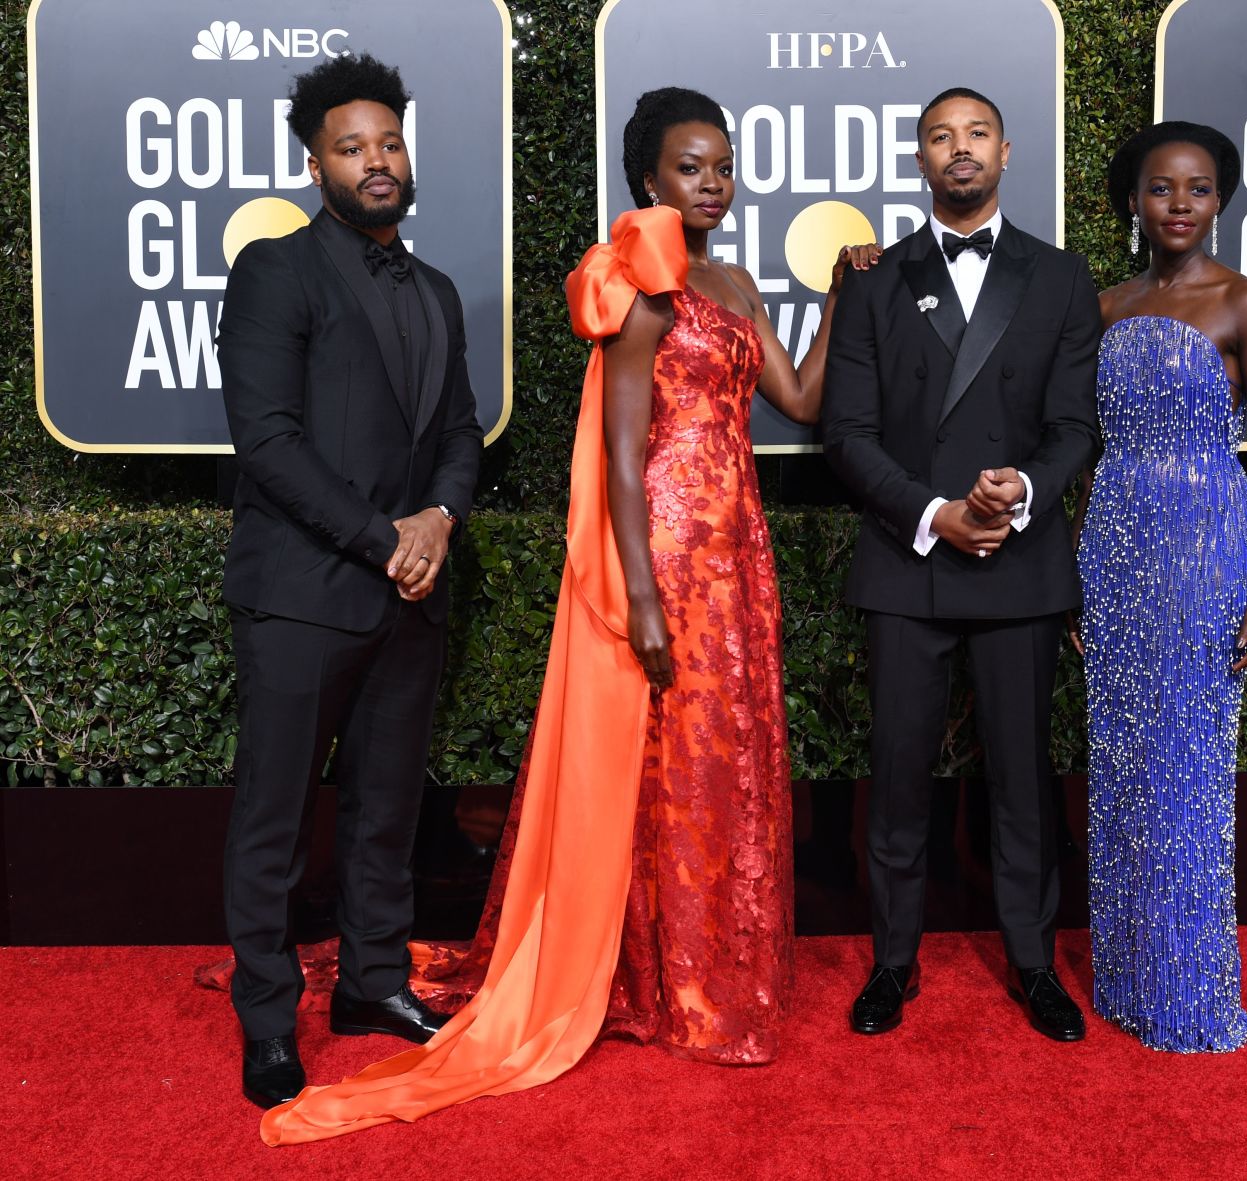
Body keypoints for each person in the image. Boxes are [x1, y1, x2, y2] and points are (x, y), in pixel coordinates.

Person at [257, 86, 875, 1144]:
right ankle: (652, 981)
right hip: (668, 557)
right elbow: (626, 463)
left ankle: (706, 976)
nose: (713, 182)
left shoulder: (733, 279)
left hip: (739, 556)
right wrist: (641, 596)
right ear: (649, 180)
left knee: (716, 768)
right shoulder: (639, 282)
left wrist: (837, 298)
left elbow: (805, 402)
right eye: (691, 166)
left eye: (723, 165)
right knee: (656, 774)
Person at [218, 53, 482, 1109]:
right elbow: (268, 445)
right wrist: (386, 537)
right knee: (275, 820)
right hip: (302, 592)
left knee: (383, 810)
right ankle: (268, 1021)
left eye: (388, 142)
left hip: (407, 594)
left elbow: (460, 433)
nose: (376, 162)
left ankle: (374, 985)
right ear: (313, 163)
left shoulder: (439, 289)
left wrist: (439, 517)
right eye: (350, 147)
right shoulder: (276, 272)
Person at [821, 87, 1101, 1042]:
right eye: (940, 136)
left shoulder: (1062, 279)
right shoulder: (871, 279)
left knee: (1024, 778)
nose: (960, 149)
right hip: (908, 561)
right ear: (919, 158)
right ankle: (892, 962)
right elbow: (846, 433)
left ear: (1008, 151)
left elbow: (1073, 427)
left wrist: (1016, 493)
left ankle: (1034, 963)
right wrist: (936, 510)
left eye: (976, 133)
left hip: (1019, 562)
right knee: (896, 776)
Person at [1072, 121, 1247, 1052]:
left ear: (1219, 201)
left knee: (1188, 766)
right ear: (1133, 199)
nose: (1177, 204)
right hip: (1115, 542)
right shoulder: (1102, 306)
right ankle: (1128, 973)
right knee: (1125, 763)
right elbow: (1082, 454)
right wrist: (1077, 576)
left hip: (1208, 545)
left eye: (1198, 189)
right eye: (1160, 188)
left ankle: (1188, 985)